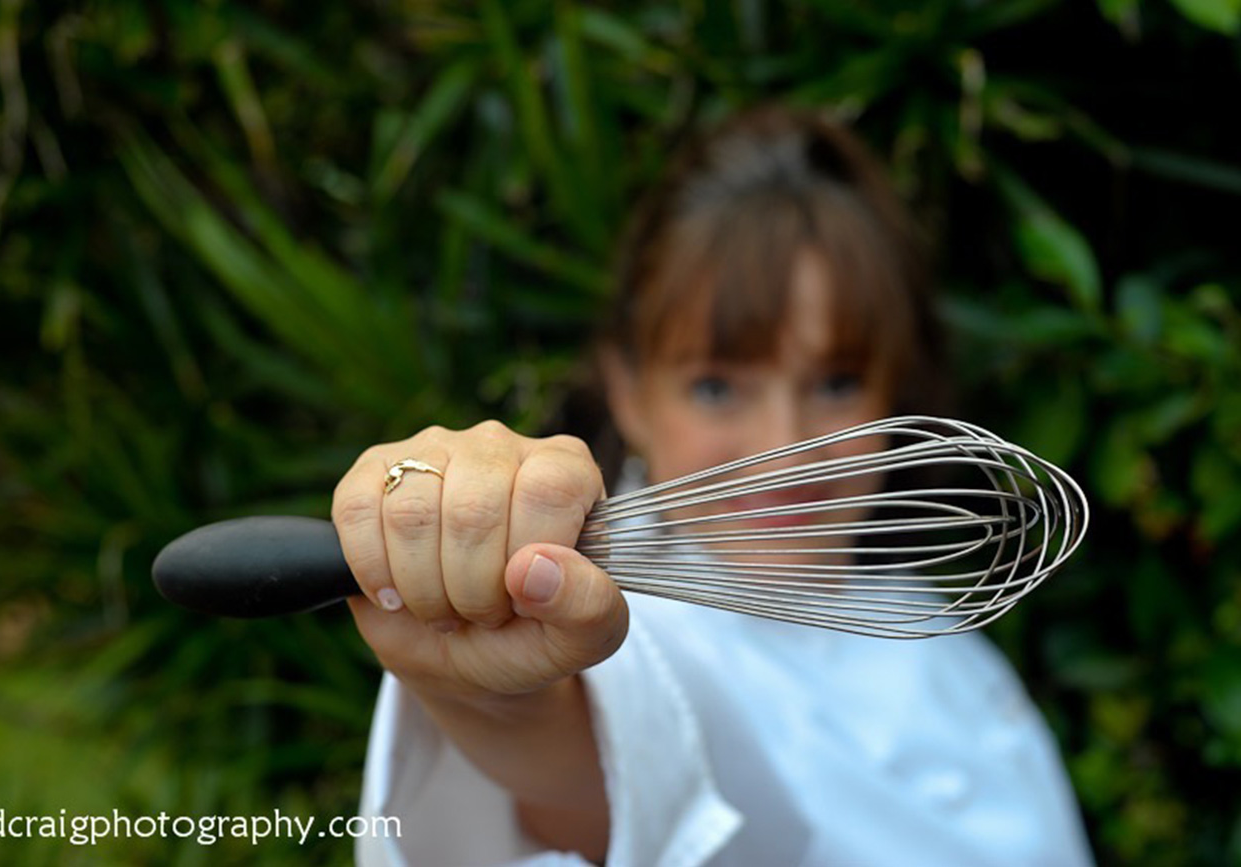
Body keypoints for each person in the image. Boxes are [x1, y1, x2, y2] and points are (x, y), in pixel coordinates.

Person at [335, 105, 1093, 866]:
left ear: (895, 392)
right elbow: (606, 770)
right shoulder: (616, 629)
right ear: (629, 390)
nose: (784, 446)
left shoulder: (940, 635)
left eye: (835, 382)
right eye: (717, 389)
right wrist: (488, 694)